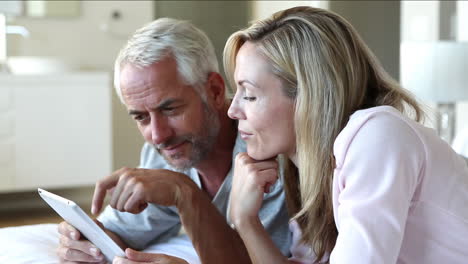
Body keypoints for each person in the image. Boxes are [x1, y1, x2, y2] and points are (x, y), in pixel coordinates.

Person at [225, 6, 468, 264]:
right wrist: (245, 221)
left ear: (309, 97)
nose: (233, 110)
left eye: (249, 95)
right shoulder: (313, 169)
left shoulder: (378, 136)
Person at [56, 18, 291, 264]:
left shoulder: (271, 150)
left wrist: (184, 193)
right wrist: (86, 241)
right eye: (141, 117)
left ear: (215, 91)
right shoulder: (163, 154)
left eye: (170, 110)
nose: (158, 136)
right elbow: (123, 234)